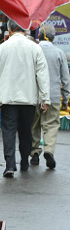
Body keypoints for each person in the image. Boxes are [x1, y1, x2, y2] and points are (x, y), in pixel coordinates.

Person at [0, 20, 50, 178]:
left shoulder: (2, 48)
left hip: (8, 98)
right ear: (25, 31)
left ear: (9, 30)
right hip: (28, 99)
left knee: (9, 131)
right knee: (26, 132)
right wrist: (45, 98)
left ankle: (10, 165)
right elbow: (42, 74)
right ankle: (24, 161)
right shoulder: (35, 48)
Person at [30, 24, 70, 169]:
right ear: (53, 37)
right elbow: (65, 79)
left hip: (34, 96)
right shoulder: (59, 53)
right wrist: (65, 99)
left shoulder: (33, 51)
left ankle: (34, 152)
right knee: (51, 125)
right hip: (53, 96)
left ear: (38, 36)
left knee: (34, 125)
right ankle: (49, 150)